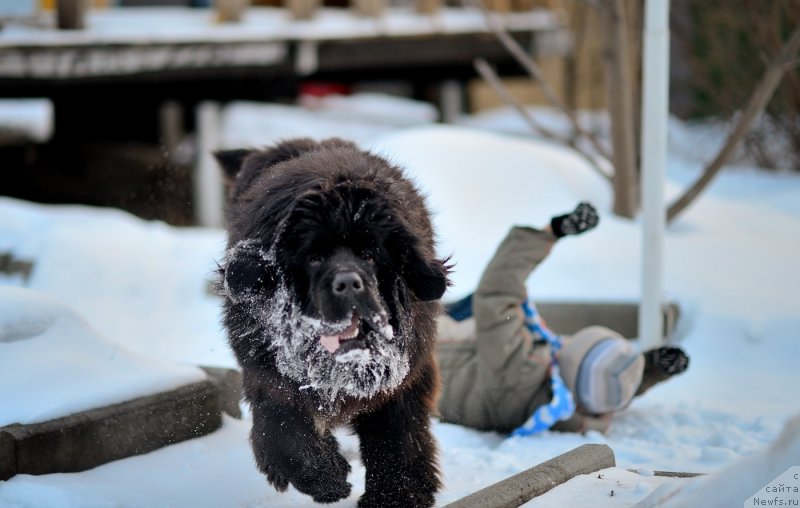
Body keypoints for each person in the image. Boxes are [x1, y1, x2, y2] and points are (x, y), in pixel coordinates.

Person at [435, 203, 689, 435]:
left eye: (573, 344)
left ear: (571, 356)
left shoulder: (519, 369)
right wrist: (649, 368)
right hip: (467, 372)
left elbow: (497, 291)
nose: (564, 342)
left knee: (481, 302)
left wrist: (551, 232)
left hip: (428, 356)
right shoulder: (563, 407)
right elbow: (610, 383)